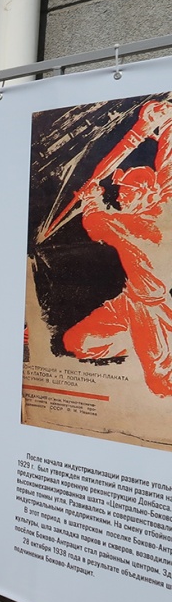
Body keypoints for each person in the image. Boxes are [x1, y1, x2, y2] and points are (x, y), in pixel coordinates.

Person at [59, 100, 172, 396]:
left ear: (149, 194)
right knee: (75, 343)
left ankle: (149, 356)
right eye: (120, 192)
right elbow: (168, 163)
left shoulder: (147, 219)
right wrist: (166, 126)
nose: (121, 197)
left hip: (152, 307)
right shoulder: (154, 205)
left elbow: (96, 223)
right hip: (130, 299)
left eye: (128, 192)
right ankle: (134, 346)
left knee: (160, 380)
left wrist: (92, 198)